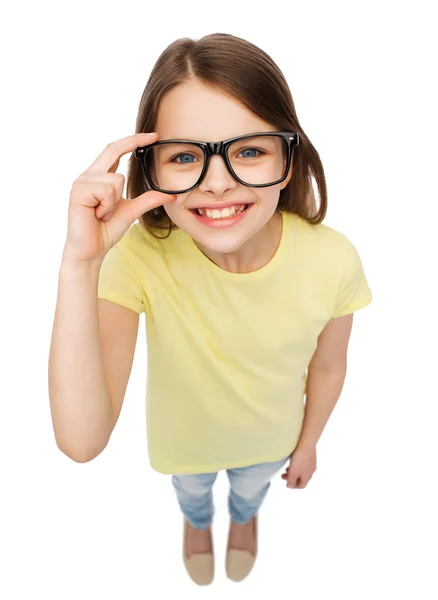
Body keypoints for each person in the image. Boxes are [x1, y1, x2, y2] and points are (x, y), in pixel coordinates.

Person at [48, 33, 373, 586]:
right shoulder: (140, 260)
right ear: (150, 172)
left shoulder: (333, 258)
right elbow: (81, 441)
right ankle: (197, 525)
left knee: (249, 494)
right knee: (193, 497)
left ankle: (244, 521)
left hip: (271, 444)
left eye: (248, 150)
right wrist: (81, 264)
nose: (218, 182)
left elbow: (328, 365)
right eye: (184, 157)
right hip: (185, 448)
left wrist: (310, 442)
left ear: (288, 159)